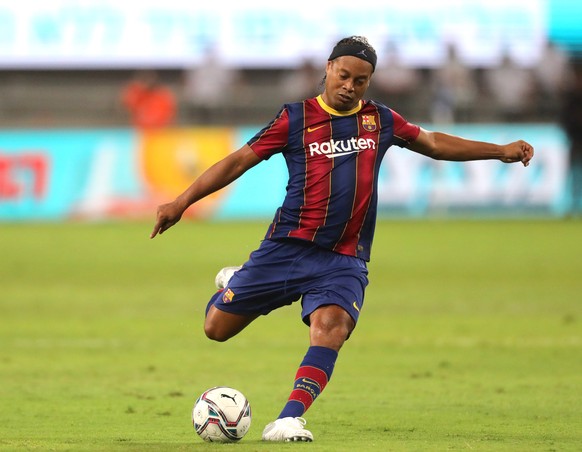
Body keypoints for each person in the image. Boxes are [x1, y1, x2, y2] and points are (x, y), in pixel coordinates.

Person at [150, 36, 534, 442]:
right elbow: (238, 160)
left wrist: (499, 151)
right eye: (345, 75)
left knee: (332, 327)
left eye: (361, 80)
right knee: (216, 329)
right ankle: (238, 280)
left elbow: (434, 143)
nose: (350, 86)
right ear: (329, 68)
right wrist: (182, 201)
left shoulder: (380, 120)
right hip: (287, 248)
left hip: (344, 258)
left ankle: (288, 419)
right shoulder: (295, 118)